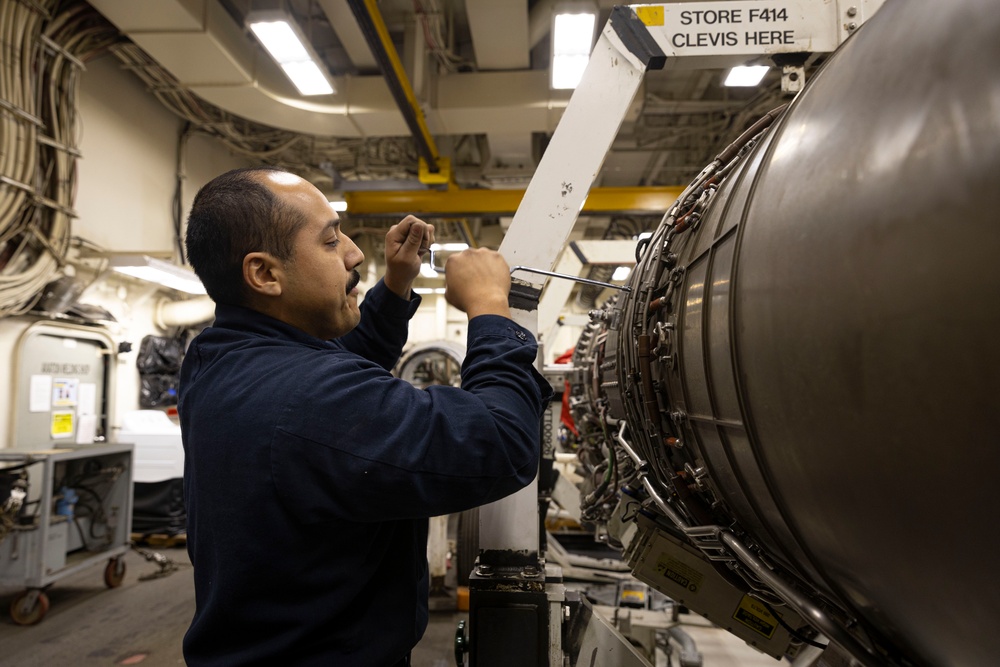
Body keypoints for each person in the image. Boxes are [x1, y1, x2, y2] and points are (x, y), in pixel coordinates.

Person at [179, 166, 551, 666]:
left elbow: (335, 370)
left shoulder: (220, 357)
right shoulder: (307, 399)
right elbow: (499, 443)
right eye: (331, 242)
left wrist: (395, 285)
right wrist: (489, 308)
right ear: (264, 273)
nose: (355, 253)